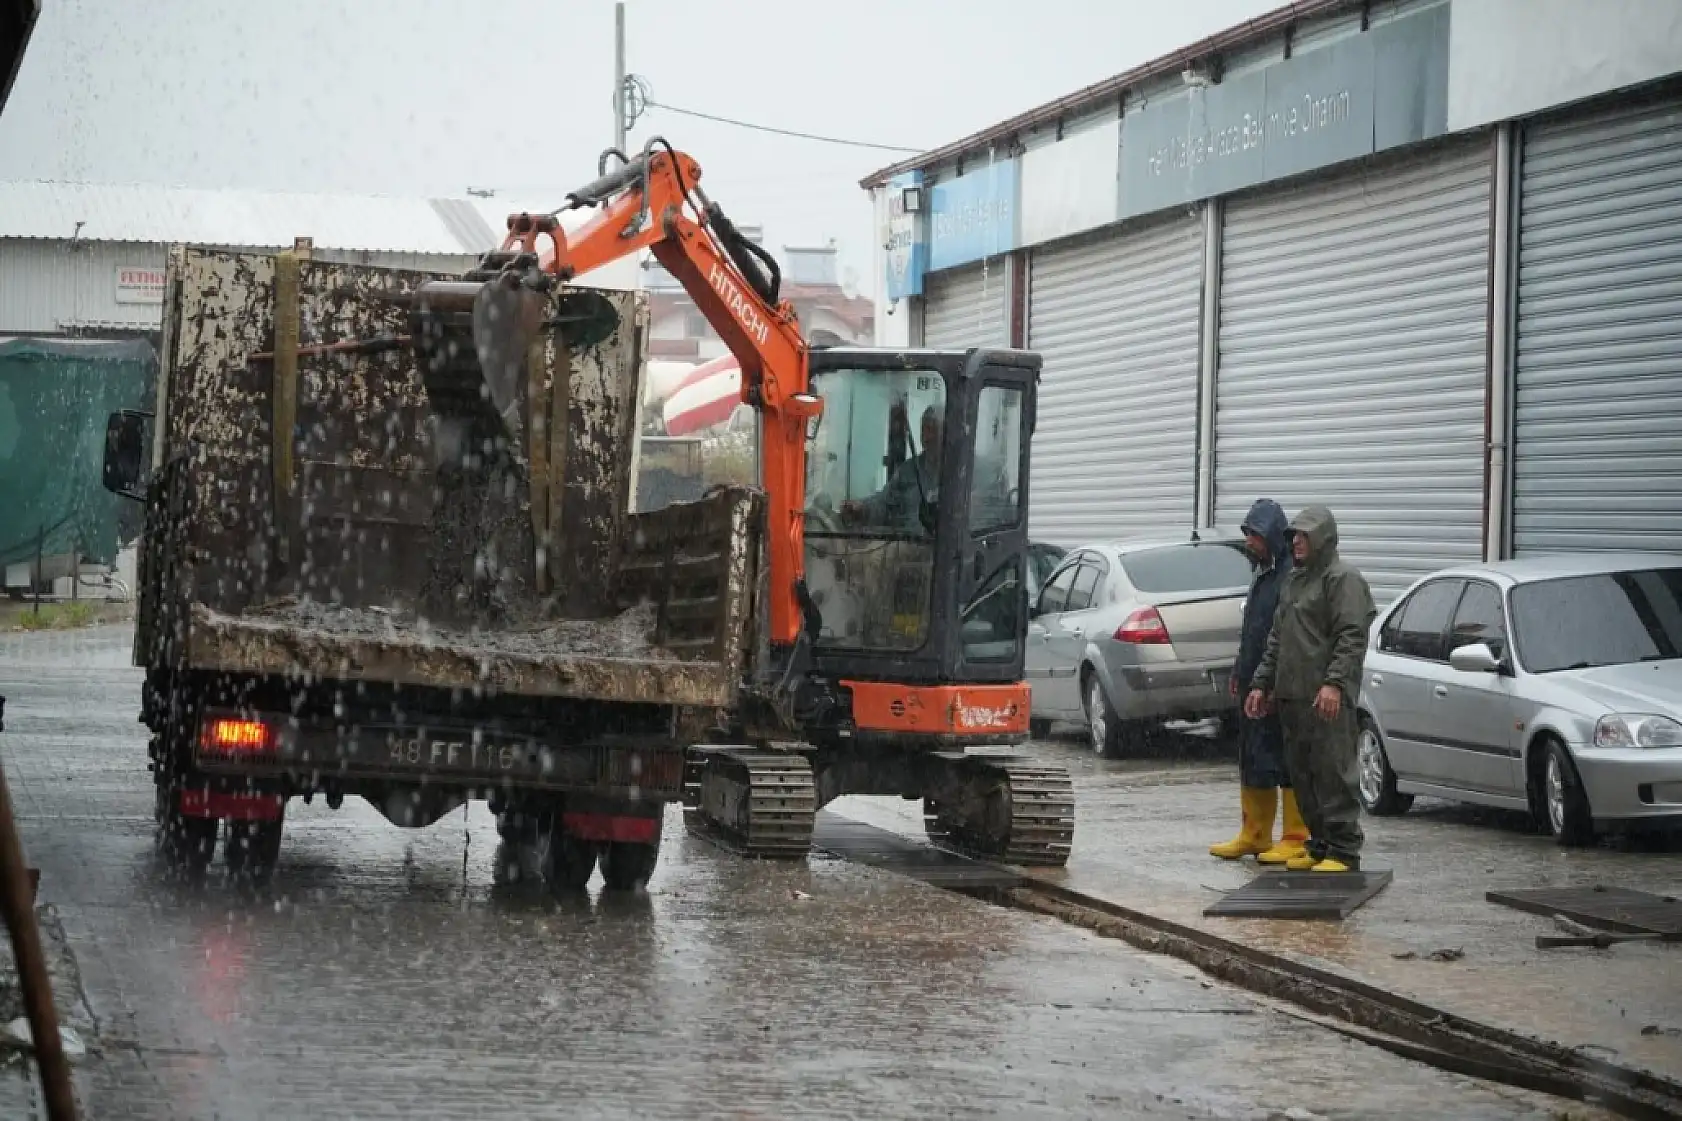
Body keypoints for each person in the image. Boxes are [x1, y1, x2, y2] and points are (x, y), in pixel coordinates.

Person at [1244, 505, 1377, 873]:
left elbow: (1351, 636)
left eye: (1303, 536)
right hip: (1292, 696)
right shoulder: (1294, 580)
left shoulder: (1343, 579)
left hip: (1325, 698)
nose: (1296, 543)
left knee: (1333, 772)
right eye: (1293, 536)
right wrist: (1261, 683)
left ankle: (1344, 849)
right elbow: (1277, 638)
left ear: (1323, 538)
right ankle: (1318, 844)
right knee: (1302, 774)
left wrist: (1334, 683)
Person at [1209, 498, 1310, 865]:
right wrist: (1240, 670)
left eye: (1254, 534)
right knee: (1253, 758)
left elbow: (1285, 636)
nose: (1249, 542)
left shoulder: (1289, 577)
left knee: (1285, 761)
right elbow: (1253, 628)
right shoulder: (1263, 573)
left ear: (1270, 535)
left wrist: (1270, 685)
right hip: (1253, 682)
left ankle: (1296, 836)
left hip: (1277, 687)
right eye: (1247, 534)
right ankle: (1254, 834)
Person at [841, 405, 941, 533]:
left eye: (933, 430)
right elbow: (885, 503)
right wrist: (863, 508)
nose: (926, 438)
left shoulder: (967, 474)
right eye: (924, 429)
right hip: (904, 547)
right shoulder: (908, 471)